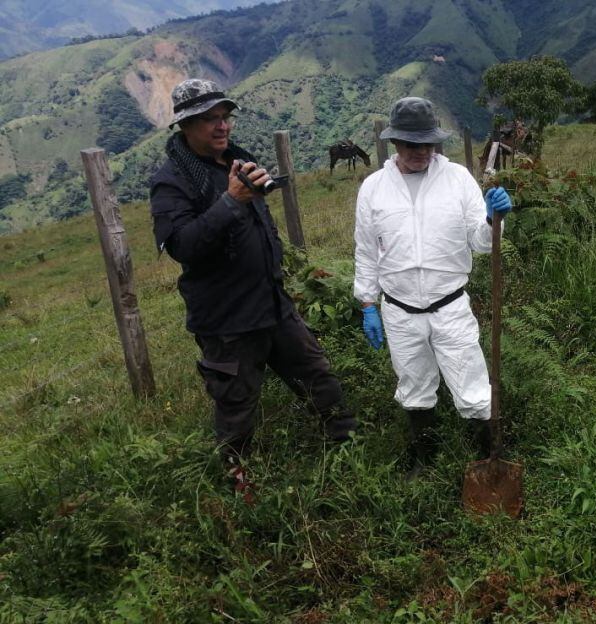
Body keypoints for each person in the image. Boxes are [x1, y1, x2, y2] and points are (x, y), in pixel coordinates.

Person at [149, 78, 358, 487]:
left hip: (274, 305)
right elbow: (183, 246)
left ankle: (350, 452)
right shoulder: (172, 181)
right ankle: (239, 487)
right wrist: (230, 202)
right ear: (185, 126)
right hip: (227, 321)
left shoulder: (234, 163)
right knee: (236, 408)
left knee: (318, 378)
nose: (221, 127)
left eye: (224, 117)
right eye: (209, 119)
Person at [353, 96, 512, 478]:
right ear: (395, 143)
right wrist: (367, 304)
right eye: (411, 144)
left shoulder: (457, 180)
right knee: (413, 382)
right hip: (399, 308)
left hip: (450, 304)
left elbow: (480, 240)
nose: (420, 152)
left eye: (427, 143)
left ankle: (487, 453)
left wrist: (493, 218)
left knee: (471, 382)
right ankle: (423, 455)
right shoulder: (374, 188)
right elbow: (365, 249)